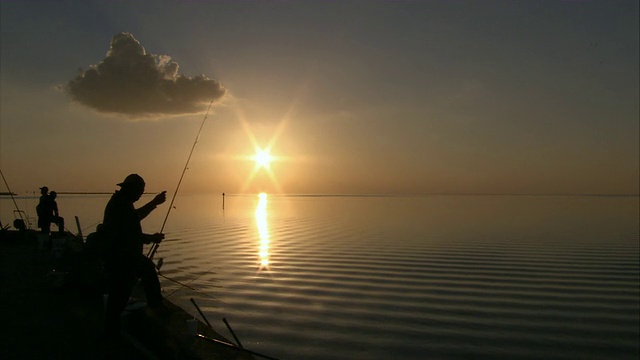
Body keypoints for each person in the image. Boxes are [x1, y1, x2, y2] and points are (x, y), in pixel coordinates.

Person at [102, 173, 167, 337]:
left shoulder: (122, 203)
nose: (140, 195)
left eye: (142, 192)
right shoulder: (120, 205)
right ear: (130, 189)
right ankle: (112, 331)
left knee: (145, 273)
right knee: (120, 293)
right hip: (121, 258)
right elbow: (129, 232)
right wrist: (151, 238)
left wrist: (154, 203)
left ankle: (154, 309)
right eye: (139, 191)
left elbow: (134, 218)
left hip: (125, 256)